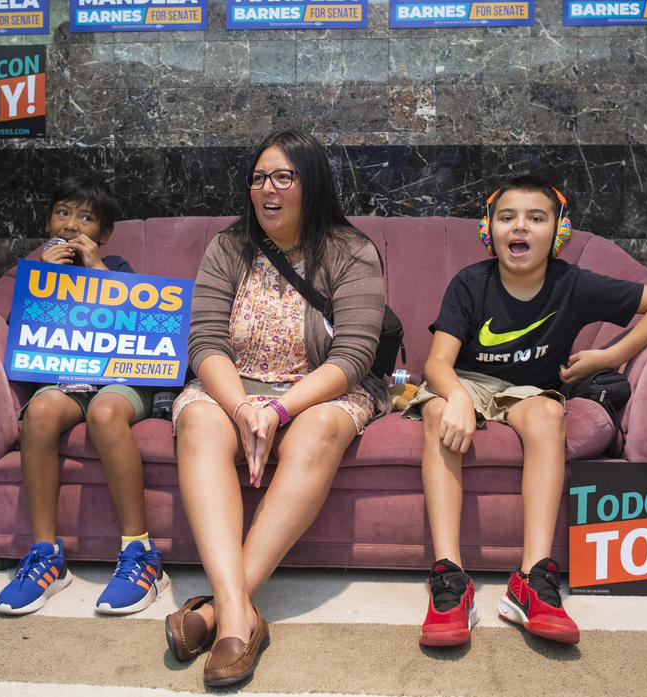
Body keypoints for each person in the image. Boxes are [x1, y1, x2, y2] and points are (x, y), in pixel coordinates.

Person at [406, 175, 647, 646]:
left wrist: (606, 356)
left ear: (558, 232)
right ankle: (450, 578)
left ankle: (532, 579)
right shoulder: (470, 283)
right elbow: (438, 362)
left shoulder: (573, 284)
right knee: (437, 413)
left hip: (530, 392)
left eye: (535, 218)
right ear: (489, 230)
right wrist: (456, 397)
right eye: (507, 218)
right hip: (468, 383)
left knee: (549, 415)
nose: (520, 227)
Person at [165, 130, 385, 686]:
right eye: (259, 177)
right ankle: (239, 614)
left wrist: (280, 410)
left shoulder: (351, 250)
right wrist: (241, 406)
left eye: (283, 177)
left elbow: (356, 354)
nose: (268, 188)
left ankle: (218, 610)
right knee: (196, 419)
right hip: (235, 386)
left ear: (311, 186)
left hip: (319, 390)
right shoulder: (227, 246)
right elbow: (207, 344)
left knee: (318, 434)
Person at [0, 175, 168, 616]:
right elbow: (23, 330)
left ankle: (139, 552)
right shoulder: (36, 274)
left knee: (106, 412)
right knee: (39, 414)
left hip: (121, 381)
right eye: (63, 213)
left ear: (104, 235)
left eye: (86, 218)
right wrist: (47, 277)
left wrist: (96, 270)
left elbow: (140, 317)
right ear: (49, 221)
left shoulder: (119, 269)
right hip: (64, 381)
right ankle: (45, 555)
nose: (72, 226)